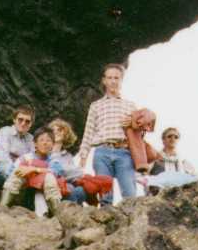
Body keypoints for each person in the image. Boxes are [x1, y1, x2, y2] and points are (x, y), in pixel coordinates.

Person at [78, 63, 137, 204]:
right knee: (105, 196)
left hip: (123, 151)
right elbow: (88, 132)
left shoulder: (130, 105)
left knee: (130, 194)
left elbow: (138, 134)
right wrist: (83, 156)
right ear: (104, 80)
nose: (113, 81)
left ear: (121, 80)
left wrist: (133, 123)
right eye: (109, 78)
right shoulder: (96, 105)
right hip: (102, 152)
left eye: (116, 78)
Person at [0, 126, 62, 215]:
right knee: (18, 172)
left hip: (45, 195)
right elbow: (10, 172)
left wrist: (33, 169)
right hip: (24, 193)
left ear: (53, 144)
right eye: (41, 140)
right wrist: (24, 172)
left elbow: (56, 171)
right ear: (35, 143)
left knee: (50, 177)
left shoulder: (53, 159)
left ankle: (57, 214)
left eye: (48, 140)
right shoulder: (26, 157)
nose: (45, 143)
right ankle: (2, 207)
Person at [0, 105, 35, 190]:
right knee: (4, 172)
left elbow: (33, 160)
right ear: (14, 119)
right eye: (20, 119)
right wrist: (17, 170)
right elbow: (2, 158)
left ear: (31, 124)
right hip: (1, 170)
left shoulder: (31, 139)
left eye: (27, 121)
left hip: (21, 172)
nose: (23, 123)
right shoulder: (5, 131)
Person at [48, 118, 86, 205]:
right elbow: (57, 172)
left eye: (60, 130)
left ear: (66, 133)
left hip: (69, 187)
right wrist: (71, 172)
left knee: (81, 190)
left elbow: (76, 175)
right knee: (71, 189)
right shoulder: (45, 152)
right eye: (53, 130)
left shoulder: (68, 156)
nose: (56, 132)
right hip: (53, 188)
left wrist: (72, 173)